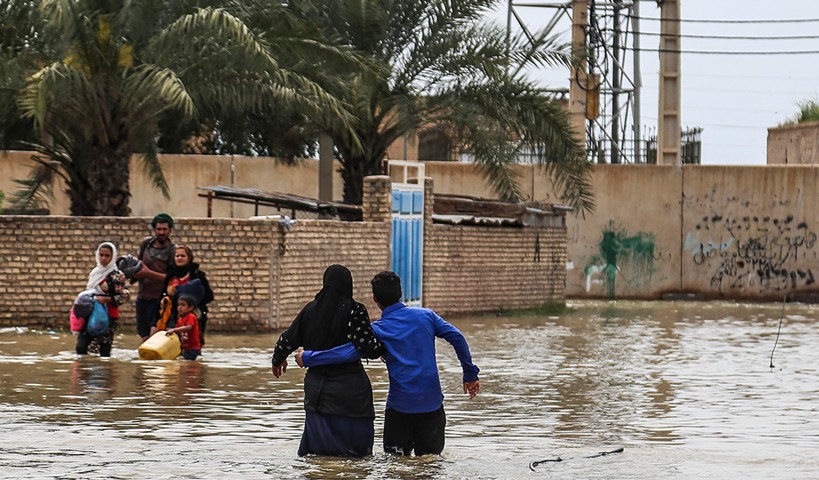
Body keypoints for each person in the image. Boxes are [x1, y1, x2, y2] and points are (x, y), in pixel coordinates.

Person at [299, 270, 480, 456]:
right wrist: (470, 373)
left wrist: (308, 357)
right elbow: (457, 337)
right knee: (429, 465)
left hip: (399, 410)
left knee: (395, 465)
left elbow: (348, 353)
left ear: (375, 298)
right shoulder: (426, 317)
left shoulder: (378, 329)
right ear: (401, 293)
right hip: (431, 407)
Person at [271, 265, 385, 457]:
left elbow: (287, 339)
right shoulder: (355, 311)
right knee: (355, 459)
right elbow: (368, 349)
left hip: (318, 395)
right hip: (351, 395)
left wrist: (277, 360)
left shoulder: (310, 311)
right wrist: (383, 348)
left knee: (319, 457)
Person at [76, 242, 130, 357]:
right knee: (81, 347)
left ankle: (105, 374)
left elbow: (124, 296)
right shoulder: (95, 273)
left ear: (112, 257)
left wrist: (106, 299)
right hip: (90, 313)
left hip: (108, 317)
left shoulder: (117, 275)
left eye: (107, 256)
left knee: (104, 351)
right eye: (101, 255)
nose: (103, 258)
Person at [152, 244, 214, 344]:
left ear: (189, 258)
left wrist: (191, 305)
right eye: (177, 256)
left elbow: (209, 296)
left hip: (194, 316)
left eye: (183, 256)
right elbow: (162, 296)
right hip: (172, 316)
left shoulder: (197, 275)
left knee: (191, 345)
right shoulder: (170, 275)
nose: (180, 258)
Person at [132, 213, 175, 341]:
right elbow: (138, 265)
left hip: (161, 301)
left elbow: (171, 279)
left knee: (156, 336)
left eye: (164, 229)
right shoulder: (146, 244)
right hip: (143, 298)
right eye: (159, 229)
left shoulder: (173, 251)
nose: (161, 232)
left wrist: (148, 273)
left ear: (170, 230)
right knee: (144, 337)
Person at [165, 294, 201, 360]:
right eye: (178, 305)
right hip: (185, 347)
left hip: (192, 348)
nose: (180, 307)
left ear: (190, 308)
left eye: (183, 305)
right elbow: (177, 333)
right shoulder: (180, 320)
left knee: (189, 365)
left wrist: (174, 330)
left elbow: (188, 327)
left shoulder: (191, 316)